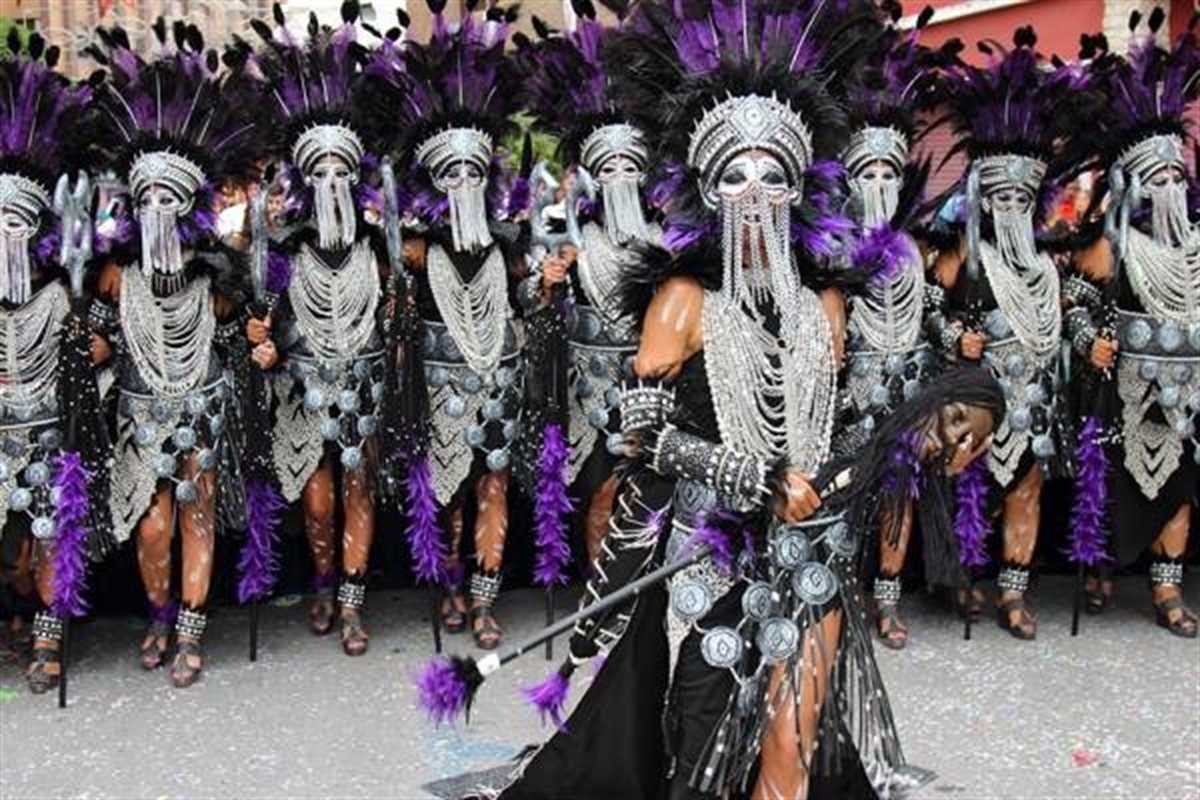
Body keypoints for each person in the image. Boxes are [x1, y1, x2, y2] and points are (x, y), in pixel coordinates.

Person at [86, 21, 258, 687]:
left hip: (202, 408)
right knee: (153, 528)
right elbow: (99, 341)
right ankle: (159, 614)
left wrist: (256, 337)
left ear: (190, 204)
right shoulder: (116, 275)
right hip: (140, 413)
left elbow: (243, 333)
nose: (158, 208)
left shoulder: (214, 274)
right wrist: (77, 351)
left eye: (170, 197)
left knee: (197, 515)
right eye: (148, 198)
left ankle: (190, 629)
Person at [365, 2, 528, 650]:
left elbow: (531, 309)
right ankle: (450, 585)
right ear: (433, 180)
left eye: (473, 172)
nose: (463, 182)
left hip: (497, 384)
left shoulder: (509, 247)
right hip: (437, 391)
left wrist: (546, 290)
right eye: (450, 173)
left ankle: (485, 597)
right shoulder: (414, 251)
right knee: (448, 494)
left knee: (493, 485)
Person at [928, 27, 1099, 640]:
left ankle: (1014, 592)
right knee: (971, 491)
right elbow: (929, 305)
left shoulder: (1048, 265)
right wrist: (954, 336)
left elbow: (1076, 310)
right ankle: (965, 580)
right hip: (977, 399)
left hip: (1036, 401)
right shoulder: (962, 256)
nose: (1009, 208)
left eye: (1020, 198)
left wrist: (1086, 338)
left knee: (1026, 492)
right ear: (983, 197)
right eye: (999, 196)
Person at [239, 2, 392, 655]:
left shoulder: (376, 247)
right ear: (305, 177)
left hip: (362, 386)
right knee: (319, 503)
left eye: (341, 171)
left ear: (355, 177)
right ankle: (325, 580)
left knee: (358, 491)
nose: (331, 182)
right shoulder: (284, 246)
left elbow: (393, 310)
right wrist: (263, 343)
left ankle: (352, 601)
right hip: (302, 393)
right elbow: (263, 318)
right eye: (319, 171)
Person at [1064, 11, 1198, 636]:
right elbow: (1072, 301)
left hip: (1187, 391)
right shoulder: (1110, 245)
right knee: (1114, 486)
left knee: (1180, 489)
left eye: (1176, 175)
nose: (1168, 187)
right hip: (1123, 388)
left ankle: (1168, 590)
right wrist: (1089, 339)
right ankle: (1102, 571)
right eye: (1156, 178)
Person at [516, 1, 662, 570]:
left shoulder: (667, 240)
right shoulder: (571, 236)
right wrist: (548, 282)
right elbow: (532, 301)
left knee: (651, 499)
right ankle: (602, 593)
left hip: (655, 389)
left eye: (630, 167)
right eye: (609, 169)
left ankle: (645, 594)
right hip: (592, 391)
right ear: (594, 177)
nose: (620, 178)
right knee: (600, 496)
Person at [836, 9, 955, 649]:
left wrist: (953, 337)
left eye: (889, 173)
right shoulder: (832, 248)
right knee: (847, 496)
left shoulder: (914, 248)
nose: (880, 184)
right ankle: (842, 596)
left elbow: (931, 315)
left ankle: (886, 601)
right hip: (849, 395)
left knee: (898, 498)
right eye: (868, 174)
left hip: (907, 386)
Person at [0, 32, 110, 694]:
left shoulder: (65, 289)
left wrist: (84, 343)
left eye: (15, 223)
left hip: (46, 430)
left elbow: (105, 340)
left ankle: (48, 637)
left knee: (49, 533)